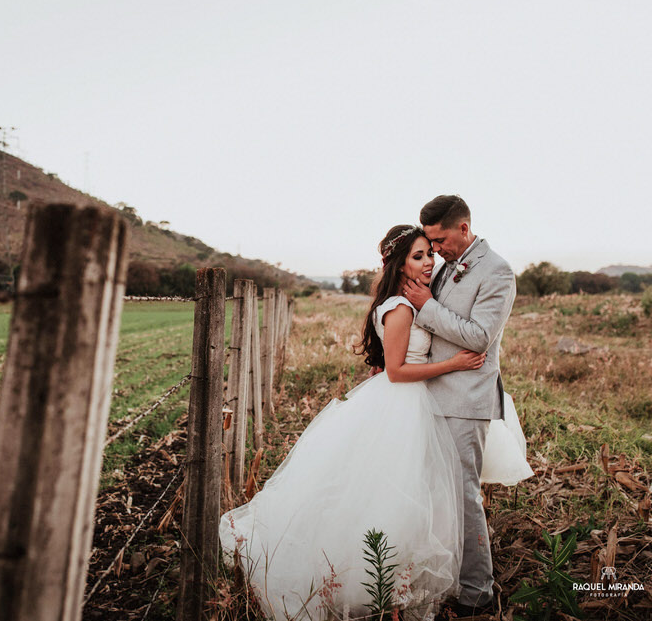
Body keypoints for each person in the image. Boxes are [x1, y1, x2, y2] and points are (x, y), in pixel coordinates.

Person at [220, 225, 485, 620]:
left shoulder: (407, 302)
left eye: (430, 253)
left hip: (406, 404)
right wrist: (454, 363)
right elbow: (395, 371)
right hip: (401, 404)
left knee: (395, 494)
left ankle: (394, 578)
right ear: (398, 264)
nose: (429, 261)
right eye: (418, 255)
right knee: (390, 494)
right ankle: (368, 581)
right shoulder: (399, 308)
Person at [402, 195, 526, 615]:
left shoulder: (497, 271)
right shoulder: (444, 267)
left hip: (465, 400)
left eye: (439, 240)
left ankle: (477, 593)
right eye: (430, 243)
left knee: (463, 494)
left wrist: (427, 307)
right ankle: (448, 575)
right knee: (438, 493)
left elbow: (478, 337)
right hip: (431, 395)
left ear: (464, 229)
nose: (434, 250)